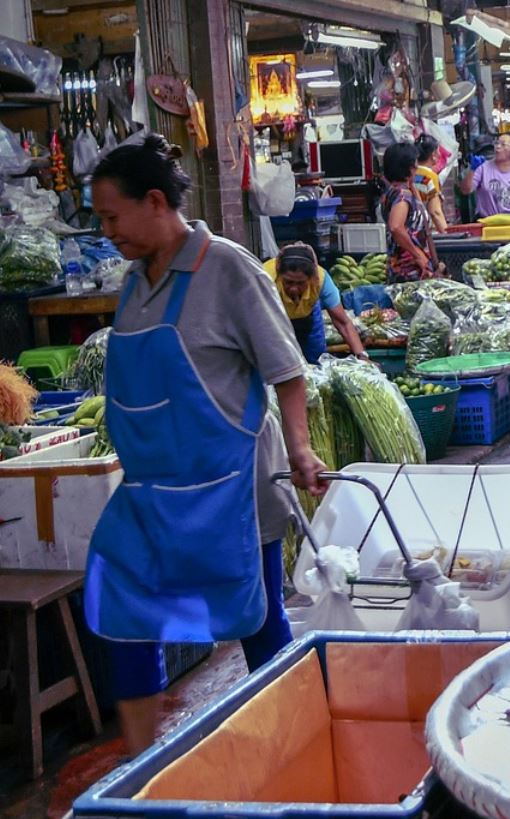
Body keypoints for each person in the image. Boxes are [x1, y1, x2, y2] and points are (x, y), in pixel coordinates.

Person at [85, 135, 326, 757]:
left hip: (234, 490)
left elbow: (287, 370)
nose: (107, 231)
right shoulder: (135, 283)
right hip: (154, 495)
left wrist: (300, 450)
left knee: (259, 620)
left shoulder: (228, 268)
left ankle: (297, 750)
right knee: (124, 612)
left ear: (156, 201)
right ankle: (142, 769)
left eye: (112, 216)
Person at [262, 243, 370, 364]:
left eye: (300, 283)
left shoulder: (321, 280)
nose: (294, 289)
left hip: (307, 317)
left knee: (316, 362)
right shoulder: (264, 278)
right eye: (288, 282)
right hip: (271, 322)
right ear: (280, 275)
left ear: (311, 278)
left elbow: (342, 323)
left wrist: (362, 356)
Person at [381, 142, 442, 283]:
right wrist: (417, 255)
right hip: (410, 270)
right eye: (415, 164)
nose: (417, 168)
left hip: (404, 266)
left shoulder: (392, 192)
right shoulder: (403, 195)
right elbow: (396, 227)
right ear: (408, 168)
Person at [459, 133, 510, 219]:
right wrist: (472, 170)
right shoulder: (482, 168)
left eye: (503, 144)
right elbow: (465, 190)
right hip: (487, 222)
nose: (497, 147)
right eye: (497, 143)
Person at [413, 134, 449, 233]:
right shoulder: (430, 177)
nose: (439, 154)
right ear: (433, 155)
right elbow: (435, 212)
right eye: (438, 151)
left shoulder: (411, 174)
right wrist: (446, 234)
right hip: (427, 232)